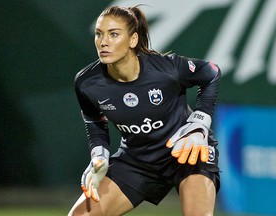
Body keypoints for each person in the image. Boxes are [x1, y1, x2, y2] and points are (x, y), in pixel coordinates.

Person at [68, 4, 221, 216]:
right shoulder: (87, 83)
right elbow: (95, 121)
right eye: (99, 34)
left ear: (133, 40)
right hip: (137, 160)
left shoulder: (166, 70)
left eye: (114, 34)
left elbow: (211, 73)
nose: (103, 42)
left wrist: (199, 124)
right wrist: (99, 155)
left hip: (185, 153)